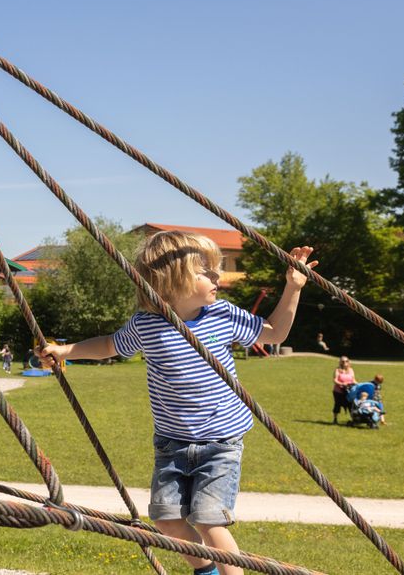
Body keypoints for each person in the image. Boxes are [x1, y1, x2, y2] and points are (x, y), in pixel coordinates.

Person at [39, 231, 317, 575]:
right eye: (206, 271)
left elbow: (274, 332)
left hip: (220, 443)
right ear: (171, 280)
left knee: (210, 521)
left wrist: (293, 287)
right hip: (172, 444)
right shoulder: (147, 325)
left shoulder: (222, 314)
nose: (217, 276)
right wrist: (66, 351)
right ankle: (206, 571)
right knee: (167, 520)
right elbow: (110, 345)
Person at [332, 356, 356, 424]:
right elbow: (335, 380)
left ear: (348, 362)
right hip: (338, 391)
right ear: (340, 362)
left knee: (350, 405)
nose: (344, 362)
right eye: (343, 361)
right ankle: (335, 419)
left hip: (349, 390)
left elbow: (353, 380)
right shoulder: (337, 370)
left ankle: (354, 419)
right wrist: (342, 383)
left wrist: (358, 385)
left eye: (346, 361)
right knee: (337, 405)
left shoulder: (351, 370)